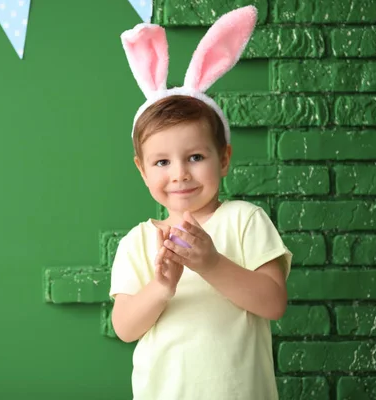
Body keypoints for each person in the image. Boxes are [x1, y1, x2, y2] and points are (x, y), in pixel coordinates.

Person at [109, 6, 293, 400]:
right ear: (143, 171)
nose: (179, 174)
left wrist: (211, 263)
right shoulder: (139, 243)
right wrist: (160, 287)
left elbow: (274, 302)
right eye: (162, 162)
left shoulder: (245, 220)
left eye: (195, 157)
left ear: (223, 158)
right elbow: (125, 328)